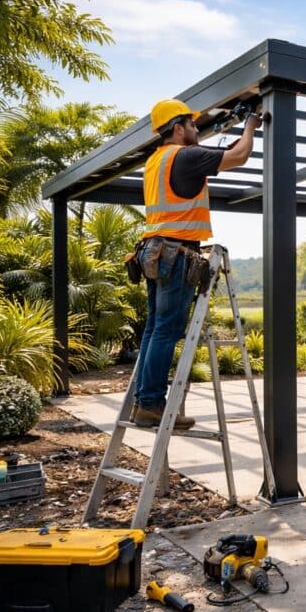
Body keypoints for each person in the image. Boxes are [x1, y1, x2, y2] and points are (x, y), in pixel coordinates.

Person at [133, 99, 262, 428]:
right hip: (176, 253)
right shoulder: (185, 155)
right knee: (167, 330)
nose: (196, 130)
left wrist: (235, 130)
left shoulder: (156, 160)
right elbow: (239, 157)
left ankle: (145, 402)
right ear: (178, 129)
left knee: (154, 329)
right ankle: (150, 404)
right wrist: (250, 125)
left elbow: (220, 155)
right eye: (192, 125)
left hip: (153, 250)